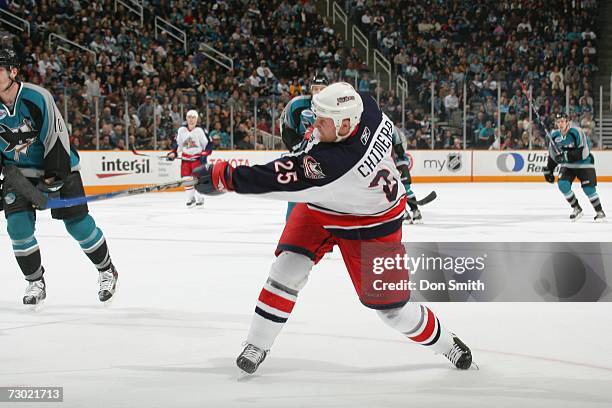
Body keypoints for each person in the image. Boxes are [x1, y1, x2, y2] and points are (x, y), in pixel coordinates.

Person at [193, 82, 473, 375]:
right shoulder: (366, 106)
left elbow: (274, 179)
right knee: (287, 269)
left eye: (322, 120)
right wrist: (325, 97)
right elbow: (346, 99)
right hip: (324, 204)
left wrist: (224, 177)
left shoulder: (334, 163)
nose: (315, 124)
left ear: (344, 124)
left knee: (393, 311)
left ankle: (446, 343)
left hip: (370, 224)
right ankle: (257, 343)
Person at [0, 48, 118, 306]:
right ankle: (35, 281)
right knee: (17, 227)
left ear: (13, 71)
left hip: (59, 168)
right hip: (18, 175)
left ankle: (106, 270)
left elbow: (56, 137)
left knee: (78, 224)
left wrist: (52, 181)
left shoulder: (36, 97)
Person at [280, 72, 328, 220]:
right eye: (316, 89)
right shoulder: (297, 105)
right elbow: (285, 126)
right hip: (300, 157)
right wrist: (297, 146)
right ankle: (292, 228)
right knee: (295, 194)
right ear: (311, 90)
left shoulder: (336, 108)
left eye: (322, 89)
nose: (319, 92)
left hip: (325, 159)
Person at [543, 112, 605, 221]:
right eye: (558, 122)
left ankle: (599, 211)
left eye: (562, 121)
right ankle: (577, 208)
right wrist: (549, 169)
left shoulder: (576, 132)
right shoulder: (554, 135)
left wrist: (565, 156)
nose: (560, 124)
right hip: (568, 165)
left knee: (588, 189)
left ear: (567, 122)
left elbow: (582, 151)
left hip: (584, 163)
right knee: (563, 185)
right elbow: (553, 155)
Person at [167, 110, 211, 208]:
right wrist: (173, 153)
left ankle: (200, 198)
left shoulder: (201, 130)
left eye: (193, 117)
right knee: (186, 179)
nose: (191, 120)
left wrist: (205, 154)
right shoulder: (181, 130)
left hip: (197, 159)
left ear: (197, 119)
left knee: (198, 180)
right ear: (186, 118)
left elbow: (208, 145)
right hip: (185, 159)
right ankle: (190, 198)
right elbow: (177, 145)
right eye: (189, 117)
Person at [392, 128, 422, 223]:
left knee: (405, 188)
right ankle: (403, 212)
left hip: (399, 161)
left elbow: (400, 145)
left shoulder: (390, 128)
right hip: (390, 162)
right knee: (392, 189)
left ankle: (415, 212)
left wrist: (398, 152)